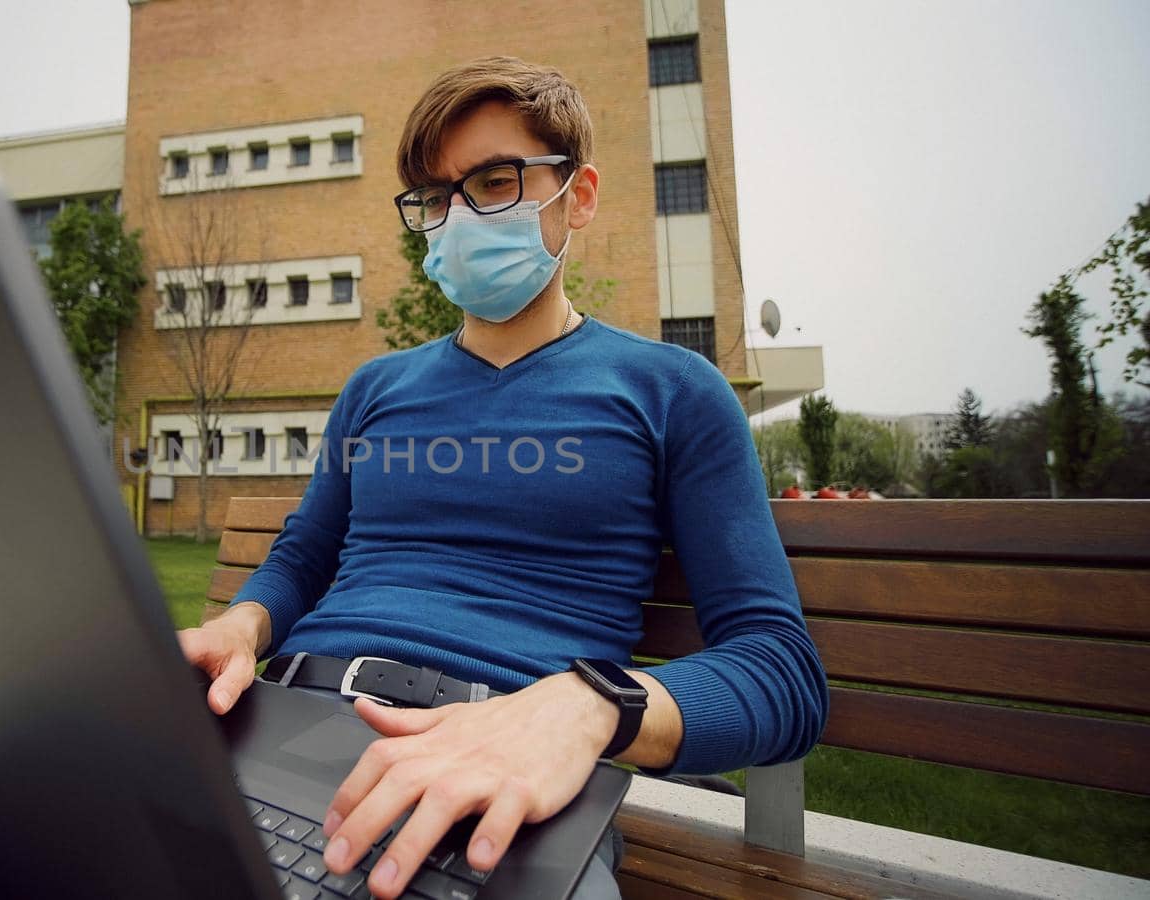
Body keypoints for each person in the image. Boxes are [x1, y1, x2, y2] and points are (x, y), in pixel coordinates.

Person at [177, 56, 828, 900]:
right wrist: (245, 625)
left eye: (494, 181)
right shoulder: (375, 389)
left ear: (579, 196)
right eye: (437, 197)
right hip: (292, 718)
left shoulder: (672, 392)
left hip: (508, 764)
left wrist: (591, 707)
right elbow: (305, 558)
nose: (458, 217)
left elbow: (781, 671)